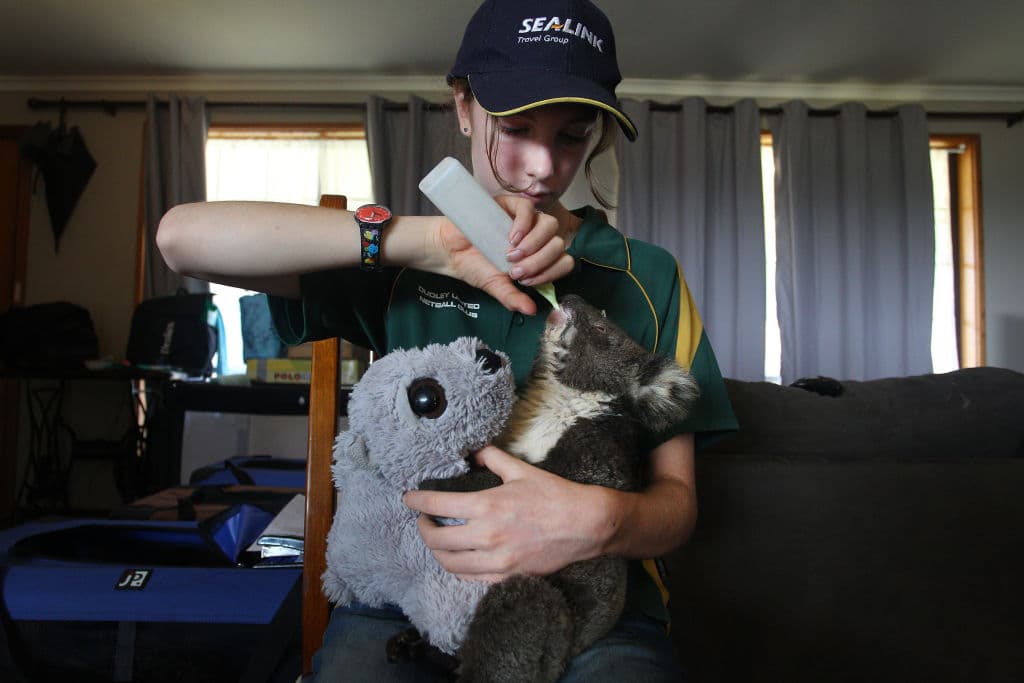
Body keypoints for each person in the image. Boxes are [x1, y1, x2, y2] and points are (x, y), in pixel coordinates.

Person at [157, 0, 737, 679]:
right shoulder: (400, 266)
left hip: (595, 609)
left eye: (573, 136)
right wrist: (428, 241)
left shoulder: (647, 276)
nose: (542, 169)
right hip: (405, 598)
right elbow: (181, 240)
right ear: (463, 105)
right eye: (515, 128)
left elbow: (679, 504)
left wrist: (602, 520)